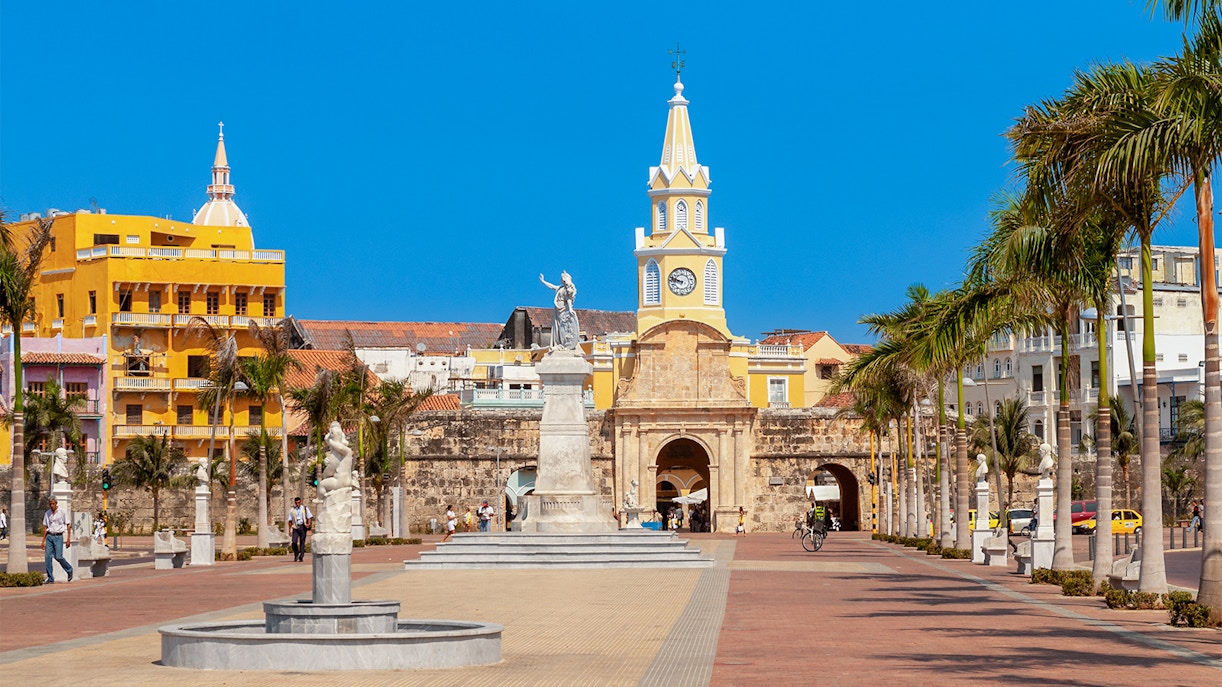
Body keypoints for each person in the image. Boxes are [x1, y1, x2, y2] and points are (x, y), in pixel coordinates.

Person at [42, 497, 73, 583]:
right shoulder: (47, 514)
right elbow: (46, 527)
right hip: (49, 536)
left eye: (53, 504)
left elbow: (68, 525)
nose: (51, 506)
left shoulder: (62, 512)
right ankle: (50, 577)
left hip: (58, 536)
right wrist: (43, 541)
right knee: (47, 557)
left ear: (56, 503)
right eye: (50, 504)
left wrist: (68, 539)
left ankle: (69, 569)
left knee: (58, 556)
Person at [288, 497, 313, 562]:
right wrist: (290, 529)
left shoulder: (304, 508)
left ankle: (301, 556)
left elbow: (310, 517)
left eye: (298, 502)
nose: (297, 504)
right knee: (294, 542)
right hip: (295, 527)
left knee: (302, 542)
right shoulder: (292, 510)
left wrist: (308, 523)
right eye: (296, 503)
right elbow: (290, 520)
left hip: (302, 527)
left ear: (300, 502)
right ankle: (296, 553)